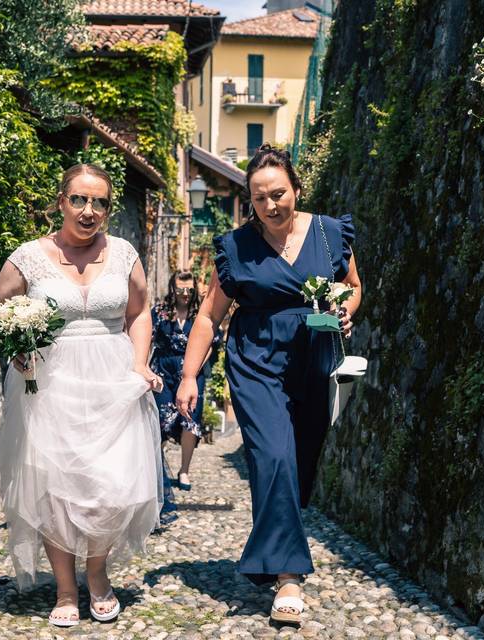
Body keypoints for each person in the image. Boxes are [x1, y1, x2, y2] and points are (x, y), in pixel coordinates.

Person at [176, 144, 362, 624]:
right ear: (250, 201)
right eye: (260, 198)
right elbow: (208, 315)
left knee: (298, 463)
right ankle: (288, 578)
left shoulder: (328, 231)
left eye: (278, 193)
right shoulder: (236, 248)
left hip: (313, 356)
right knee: (273, 455)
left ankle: (274, 546)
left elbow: (354, 286)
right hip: (255, 358)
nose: (271, 205)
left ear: (296, 189)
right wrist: (190, 374)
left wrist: (345, 311)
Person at [0, 164, 164, 627]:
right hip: (49, 385)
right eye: (80, 200)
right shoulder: (28, 257)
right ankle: (66, 589)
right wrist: (17, 354)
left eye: (101, 202)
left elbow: (140, 311)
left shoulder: (124, 253)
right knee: (56, 488)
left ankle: (99, 575)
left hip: (112, 379)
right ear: (62, 201)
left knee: (111, 486)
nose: (90, 211)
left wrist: (140, 363)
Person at [150, 271, 219, 491]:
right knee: (160, 419)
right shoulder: (160, 311)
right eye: (181, 289)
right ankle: (155, 470)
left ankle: (184, 470)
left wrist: (193, 368)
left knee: (190, 420)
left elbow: (210, 343)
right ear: (173, 288)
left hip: (192, 372)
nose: (185, 294)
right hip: (162, 370)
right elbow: (146, 336)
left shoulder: (200, 312)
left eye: (189, 289)